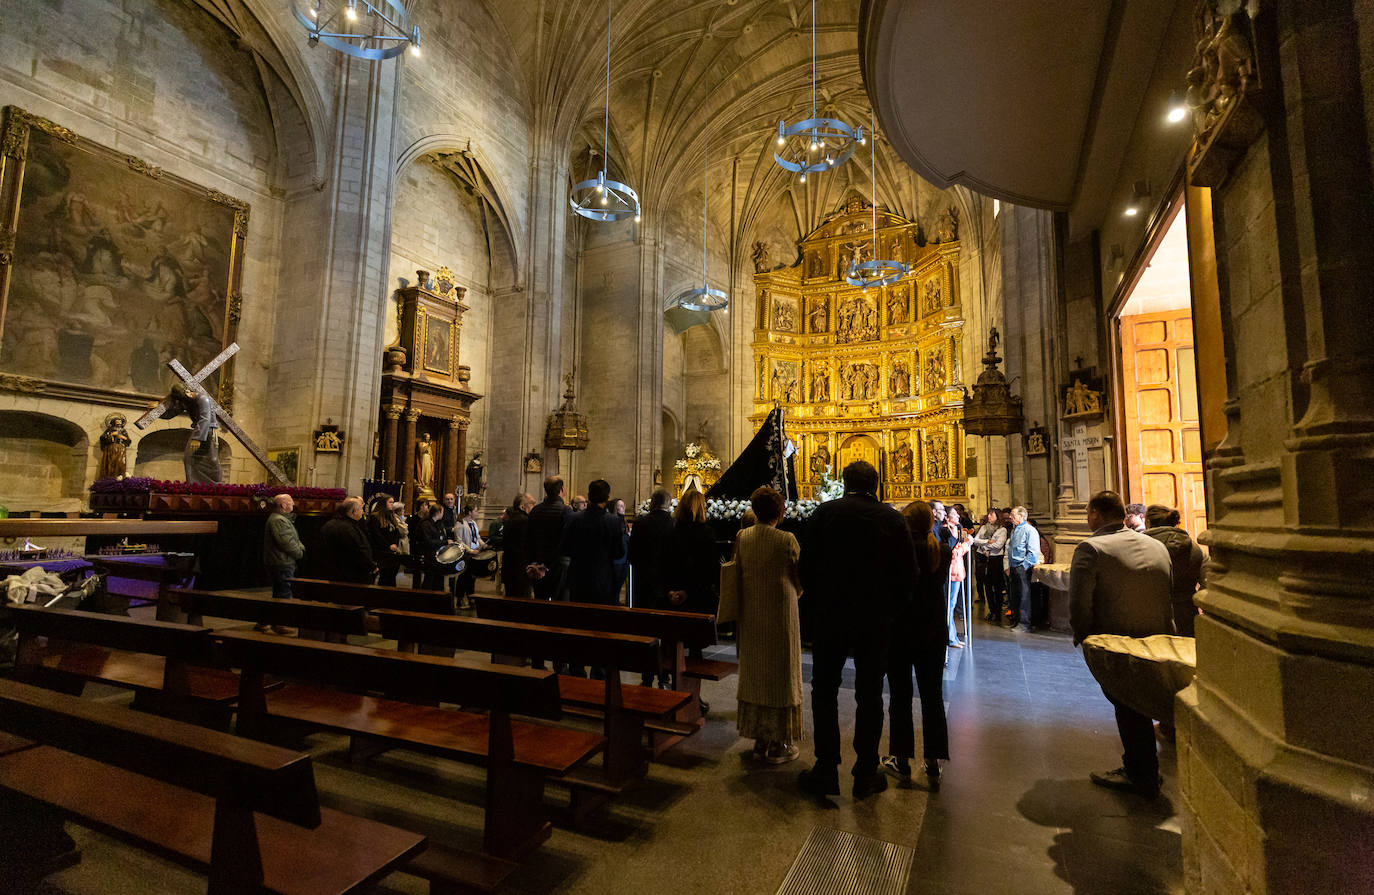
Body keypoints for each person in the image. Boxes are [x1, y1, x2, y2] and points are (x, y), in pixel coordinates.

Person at [798, 460, 915, 800]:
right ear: (876, 484)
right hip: (875, 619)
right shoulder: (892, 519)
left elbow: (807, 567)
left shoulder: (824, 514)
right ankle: (865, 770)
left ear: (844, 482)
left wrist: (820, 604)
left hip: (831, 616)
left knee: (824, 690)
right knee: (870, 693)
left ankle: (825, 768)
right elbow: (908, 575)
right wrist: (890, 612)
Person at [1070, 491, 1174, 798]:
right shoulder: (1157, 545)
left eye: (1088, 513)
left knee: (1128, 706)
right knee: (1139, 704)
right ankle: (1145, 768)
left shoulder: (1092, 548)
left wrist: (1085, 637)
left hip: (1115, 641)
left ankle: (1140, 773)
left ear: (1095, 515)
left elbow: (1079, 603)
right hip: (1158, 636)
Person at [882, 501, 951, 789]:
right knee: (933, 695)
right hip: (933, 628)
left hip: (901, 628)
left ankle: (901, 758)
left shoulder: (896, 551)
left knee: (900, 695)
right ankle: (933, 762)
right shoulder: (942, 551)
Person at [733, 486, 804, 765]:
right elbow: (799, 577)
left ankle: (759, 737)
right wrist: (794, 592)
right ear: (780, 512)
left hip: (752, 612)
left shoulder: (743, 536)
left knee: (755, 671)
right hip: (780, 613)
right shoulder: (786, 539)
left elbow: (736, 571)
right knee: (781, 672)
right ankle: (780, 742)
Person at [560, 479, 625, 605]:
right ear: (607, 497)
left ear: (589, 496)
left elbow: (565, 548)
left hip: (578, 577)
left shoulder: (574, 518)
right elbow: (619, 553)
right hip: (603, 578)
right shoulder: (613, 521)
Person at [1144, 504, 1205, 636]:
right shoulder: (1194, 547)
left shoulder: (1141, 546)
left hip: (1151, 613)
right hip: (1186, 612)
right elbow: (1208, 579)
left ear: (1148, 522)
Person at [665, 489, 720, 619]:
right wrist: (688, 592)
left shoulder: (672, 531)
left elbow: (666, 563)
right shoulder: (707, 533)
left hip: (674, 594)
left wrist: (671, 591)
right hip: (699, 595)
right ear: (701, 507)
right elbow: (709, 568)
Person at [259, 493, 304, 634]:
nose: (293, 504)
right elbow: (287, 543)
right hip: (281, 562)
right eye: (291, 502)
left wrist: (299, 547)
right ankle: (280, 624)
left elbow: (292, 539)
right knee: (284, 593)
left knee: (278, 593)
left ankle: (264, 622)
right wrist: (299, 552)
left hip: (280, 561)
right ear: (283, 505)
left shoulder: (281, 519)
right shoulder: (279, 520)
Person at [528, 476, 573, 600]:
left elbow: (529, 540)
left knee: (540, 602)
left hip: (538, 565)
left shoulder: (535, 511)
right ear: (562, 489)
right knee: (561, 604)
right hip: (559, 565)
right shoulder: (566, 511)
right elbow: (566, 542)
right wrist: (547, 565)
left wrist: (535, 564)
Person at [628, 489, 674, 611]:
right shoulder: (674, 524)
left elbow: (632, 554)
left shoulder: (640, 523)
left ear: (652, 503)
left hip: (644, 579)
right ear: (668, 504)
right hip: (667, 581)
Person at [319, 496, 377, 584]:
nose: (362, 511)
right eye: (361, 509)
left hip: (332, 572)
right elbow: (358, 550)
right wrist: (371, 566)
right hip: (352, 576)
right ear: (353, 512)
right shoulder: (349, 528)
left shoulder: (330, 524)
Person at [1006, 506, 1041, 632]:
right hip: (1014, 566)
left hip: (1022, 567)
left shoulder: (1029, 530)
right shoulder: (1015, 530)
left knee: (1024, 596)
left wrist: (1023, 566)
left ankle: (1024, 624)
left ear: (1021, 516)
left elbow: (1033, 552)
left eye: (1013, 515)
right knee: (1014, 595)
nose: (1010, 517)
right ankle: (1016, 620)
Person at [973, 510, 1008, 621]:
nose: (989, 516)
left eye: (991, 515)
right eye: (988, 514)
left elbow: (998, 545)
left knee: (996, 586)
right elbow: (975, 540)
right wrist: (988, 541)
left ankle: (997, 611)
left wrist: (984, 546)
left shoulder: (1002, 530)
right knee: (987, 585)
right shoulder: (984, 528)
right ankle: (991, 610)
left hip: (996, 559)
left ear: (997, 516)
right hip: (985, 559)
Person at [453, 499, 486, 609]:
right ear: (470, 512)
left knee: (472, 577)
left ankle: (471, 597)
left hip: (475, 553)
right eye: (476, 511)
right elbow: (459, 541)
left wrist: (483, 544)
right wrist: (470, 550)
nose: (477, 513)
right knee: (463, 577)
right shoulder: (460, 524)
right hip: (466, 554)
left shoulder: (473, 523)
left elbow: (477, 537)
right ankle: (460, 599)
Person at [501, 493, 535, 598]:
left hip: (509, 568)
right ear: (522, 506)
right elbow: (526, 546)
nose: (533, 507)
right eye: (531, 504)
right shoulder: (524, 521)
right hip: (520, 570)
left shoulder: (510, 520)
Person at [366, 494, 405, 586]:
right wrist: (388, 546)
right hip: (382, 551)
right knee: (385, 577)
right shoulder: (375, 517)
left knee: (392, 576)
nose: (392, 504)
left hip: (393, 551)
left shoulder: (391, 516)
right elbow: (377, 535)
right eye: (390, 502)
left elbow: (396, 533)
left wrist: (395, 544)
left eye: (393, 502)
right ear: (383, 504)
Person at [946, 524, 972, 647]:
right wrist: (966, 545)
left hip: (957, 574)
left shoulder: (955, 535)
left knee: (951, 606)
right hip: (952, 574)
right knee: (949, 607)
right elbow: (954, 554)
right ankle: (951, 638)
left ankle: (953, 636)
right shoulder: (947, 535)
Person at [414, 502, 448, 591]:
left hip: (438, 554)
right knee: (429, 578)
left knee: (439, 578)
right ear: (438, 512)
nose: (443, 514)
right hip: (428, 555)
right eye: (442, 512)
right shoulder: (425, 524)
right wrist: (444, 542)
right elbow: (427, 541)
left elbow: (441, 536)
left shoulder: (438, 523)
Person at [608, 497, 630, 602]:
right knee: (614, 589)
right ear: (615, 508)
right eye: (620, 506)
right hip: (616, 560)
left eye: (623, 505)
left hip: (625, 559)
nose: (623, 508)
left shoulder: (624, 522)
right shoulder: (613, 521)